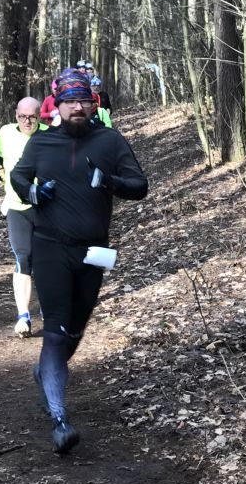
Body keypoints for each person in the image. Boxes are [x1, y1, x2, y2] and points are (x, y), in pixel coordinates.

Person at [10, 69, 148, 454]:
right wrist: (34, 192)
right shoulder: (42, 142)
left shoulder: (110, 141)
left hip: (93, 251)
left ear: (93, 104)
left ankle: (46, 372)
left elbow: (140, 186)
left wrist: (110, 182)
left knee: (74, 331)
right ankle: (59, 419)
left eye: (84, 100)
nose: (77, 107)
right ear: (57, 106)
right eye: (70, 101)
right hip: (50, 247)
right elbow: (19, 178)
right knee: (56, 329)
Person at [0, 97, 47, 336]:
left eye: (32, 117)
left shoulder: (50, 135)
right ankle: (23, 317)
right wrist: (1, 173)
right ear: (16, 115)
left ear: (39, 116)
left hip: (46, 207)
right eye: (22, 116)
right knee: (23, 257)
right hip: (17, 207)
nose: (27, 121)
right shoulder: (4, 133)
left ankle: (48, 307)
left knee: (46, 260)